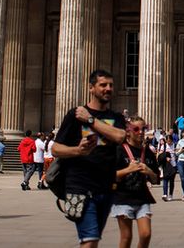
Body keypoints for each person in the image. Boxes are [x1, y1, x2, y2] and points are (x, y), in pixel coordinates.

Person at [53, 69, 126, 248]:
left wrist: (91, 120)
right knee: (90, 239)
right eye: (103, 85)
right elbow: (55, 148)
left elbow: (120, 136)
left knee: (92, 238)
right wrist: (78, 151)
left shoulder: (115, 117)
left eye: (111, 85)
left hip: (106, 188)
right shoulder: (75, 115)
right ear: (91, 88)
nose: (108, 88)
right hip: (77, 186)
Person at [113, 116, 160, 248]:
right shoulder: (120, 150)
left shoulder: (148, 152)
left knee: (146, 234)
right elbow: (111, 176)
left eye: (144, 128)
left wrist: (149, 172)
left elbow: (156, 179)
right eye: (136, 129)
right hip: (122, 198)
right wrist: (128, 169)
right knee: (126, 237)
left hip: (142, 198)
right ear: (128, 131)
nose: (141, 132)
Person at [156, 135, 177, 201]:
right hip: (166, 165)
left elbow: (177, 153)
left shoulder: (175, 145)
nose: (169, 142)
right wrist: (165, 158)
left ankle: (170, 194)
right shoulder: (163, 146)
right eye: (167, 141)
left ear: (172, 140)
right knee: (165, 179)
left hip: (173, 165)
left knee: (171, 181)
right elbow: (160, 155)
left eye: (170, 141)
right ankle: (165, 194)